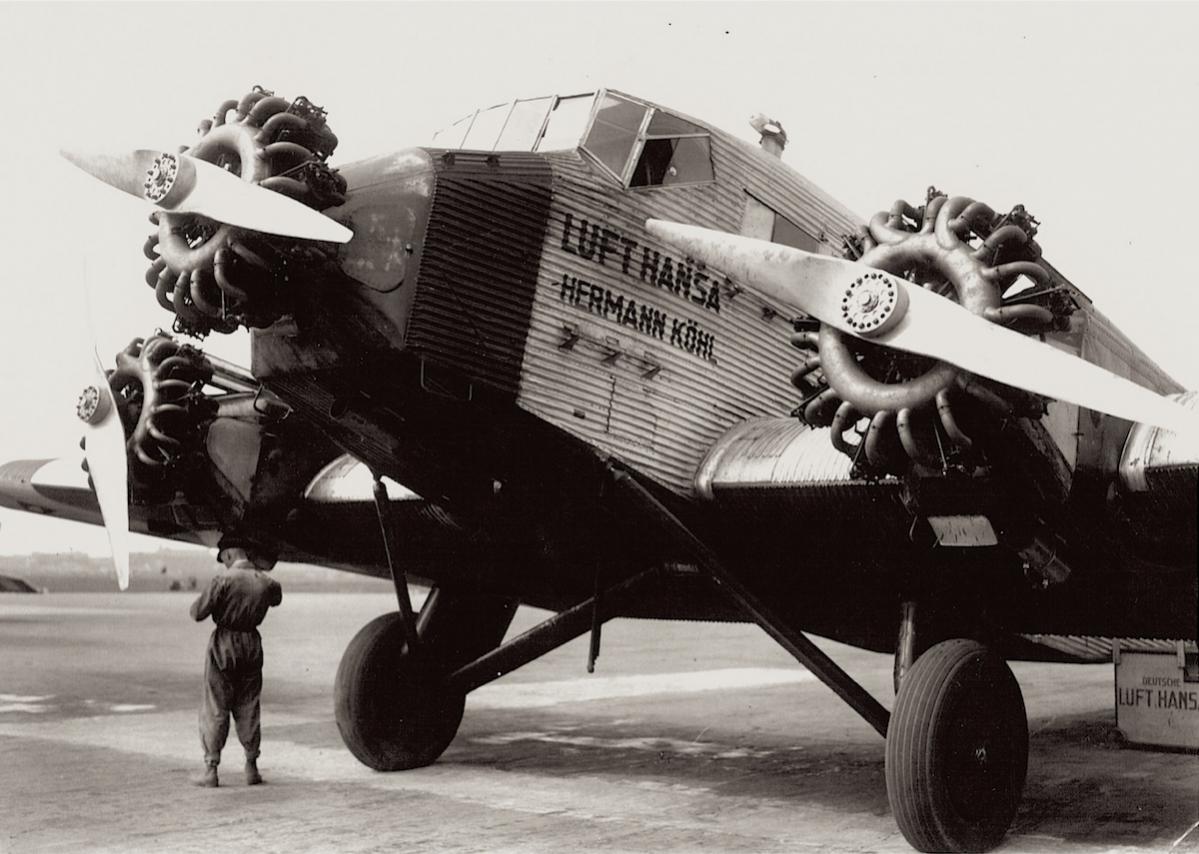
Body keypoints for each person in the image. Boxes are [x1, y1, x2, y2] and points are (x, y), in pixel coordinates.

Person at [190, 538, 282, 787]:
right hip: (252, 643)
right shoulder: (266, 582)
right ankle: (251, 767)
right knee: (249, 706)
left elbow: (197, 613)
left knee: (216, 706)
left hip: (224, 644)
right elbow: (276, 598)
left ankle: (211, 770)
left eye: (225, 560)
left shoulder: (223, 580)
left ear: (229, 555)